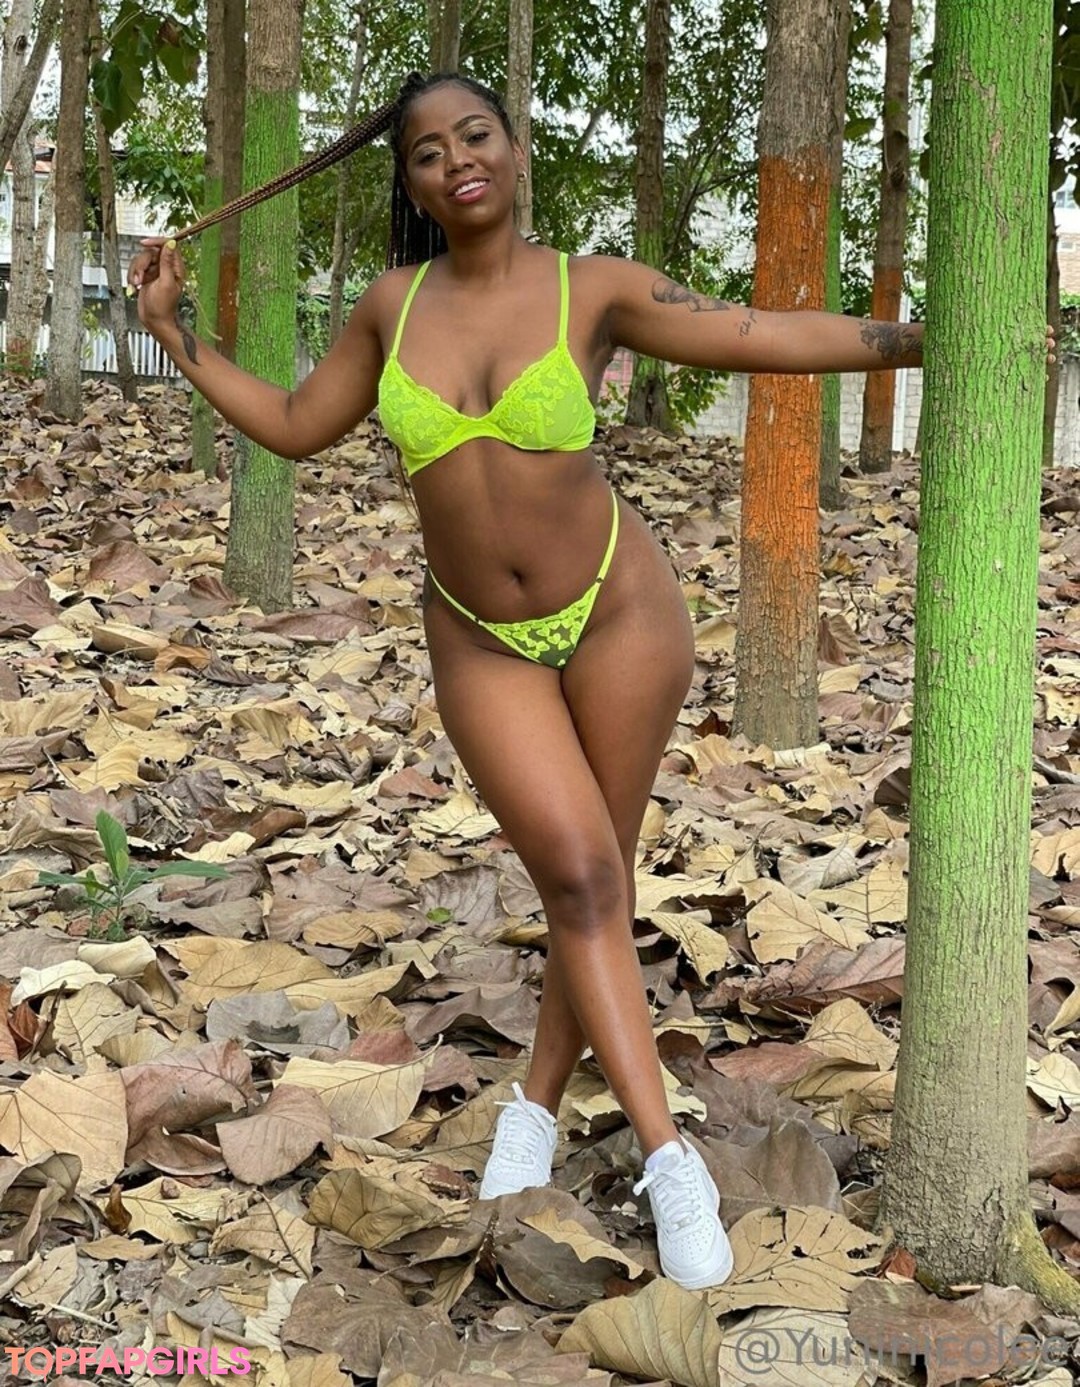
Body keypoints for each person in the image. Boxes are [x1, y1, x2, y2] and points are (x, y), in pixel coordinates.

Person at [128, 70, 924, 1293]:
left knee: (590, 877)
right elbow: (292, 422)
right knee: (582, 872)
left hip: (619, 610)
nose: (457, 162)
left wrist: (919, 339)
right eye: (428, 152)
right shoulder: (391, 306)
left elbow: (758, 334)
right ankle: (667, 1154)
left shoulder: (587, 288)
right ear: (411, 184)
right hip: (478, 636)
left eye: (477, 136)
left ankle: (544, 1114)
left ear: (515, 148)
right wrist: (174, 332)